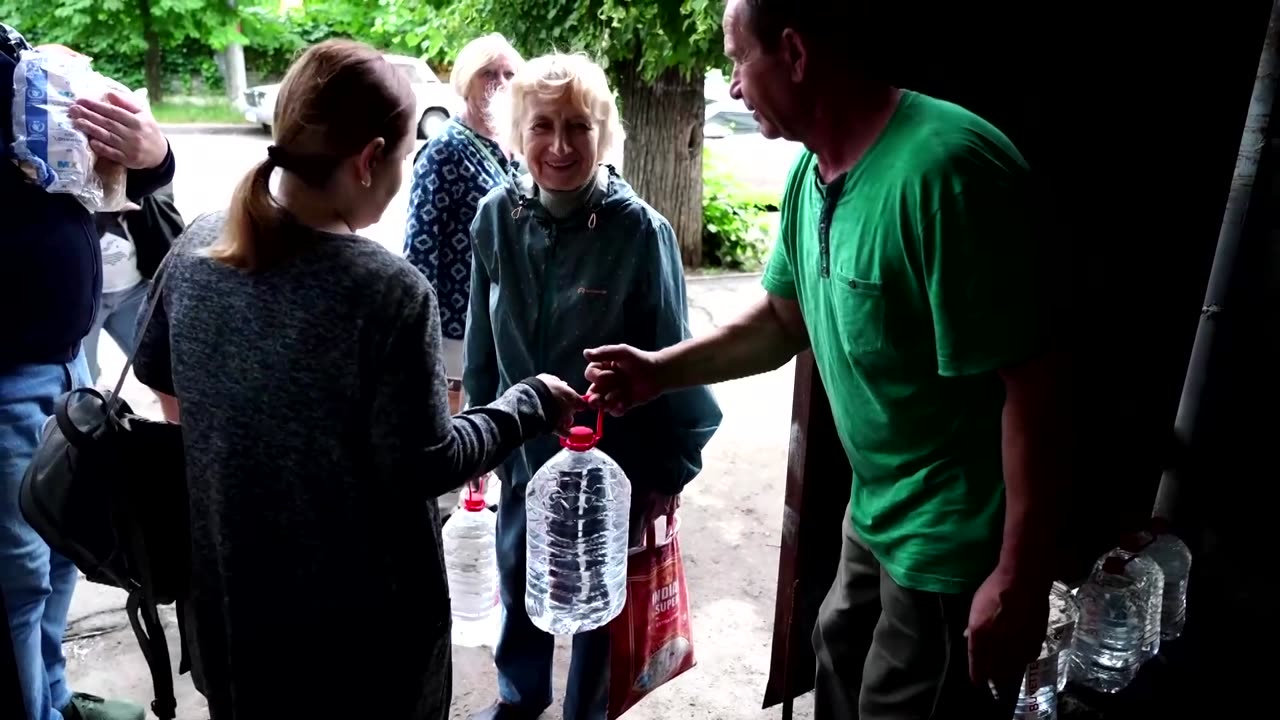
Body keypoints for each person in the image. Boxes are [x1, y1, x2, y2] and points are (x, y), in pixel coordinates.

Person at [583, 2, 1066, 719]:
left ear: (797, 55)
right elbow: (783, 320)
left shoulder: (948, 174)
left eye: (739, 60)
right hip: (874, 513)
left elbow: (1036, 383)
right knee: (833, 669)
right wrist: (658, 371)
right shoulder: (812, 176)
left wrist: (1018, 577)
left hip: (951, 542)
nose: (736, 87)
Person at [131, 39, 584, 720]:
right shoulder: (385, 293)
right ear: (369, 160)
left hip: (231, 617)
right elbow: (426, 463)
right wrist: (527, 404)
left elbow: (163, 383)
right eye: (400, 158)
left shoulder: (196, 246)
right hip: (364, 651)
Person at [465, 53, 723, 720]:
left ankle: (588, 713)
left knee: (598, 611)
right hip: (522, 458)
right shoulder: (496, 217)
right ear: (516, 133)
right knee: (520, 584)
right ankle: (519, 702)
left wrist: (670, 471)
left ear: (603, 133)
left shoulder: (640, 232)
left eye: (578, 126)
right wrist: (477, 435)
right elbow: (481, 341)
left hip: (613, 471)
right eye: (542, 126)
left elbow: (676, 358)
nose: (559, 146)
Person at [1, 28, 175, 720]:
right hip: (8, 372)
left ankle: (53, 699)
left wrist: (152, 152)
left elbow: (147, 176)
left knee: (66, 545)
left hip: (70, 357)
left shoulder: (24, 53)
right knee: (18, 578)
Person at [405, 33, 523, 378]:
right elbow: (420, 249)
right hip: (458, 322)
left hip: (507, 314)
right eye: (488, 73)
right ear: (465, 81)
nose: (500, 83)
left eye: (509, 74)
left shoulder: (514, 142)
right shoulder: (444, 149)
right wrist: (423, 332)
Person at [84, 184, 183, 384]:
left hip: (135, 290)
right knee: (80, 381)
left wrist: (136, 193)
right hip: (82, 299)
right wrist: (101, 214)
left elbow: (163, 187)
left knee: (164, 370)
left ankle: (174, 415)